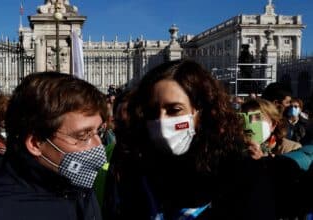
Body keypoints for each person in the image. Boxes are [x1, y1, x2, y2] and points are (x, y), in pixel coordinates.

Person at [104, 60, 277, 220]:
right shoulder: (136, 168)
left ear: (201, 110)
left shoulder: (241, 172)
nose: (162, 120)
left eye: (174, 110)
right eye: (152, 111)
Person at [0, 72, 107, 220]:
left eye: (99, 132)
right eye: (83, 136)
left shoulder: (75, 185)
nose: (98, 146)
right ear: (35, 144)